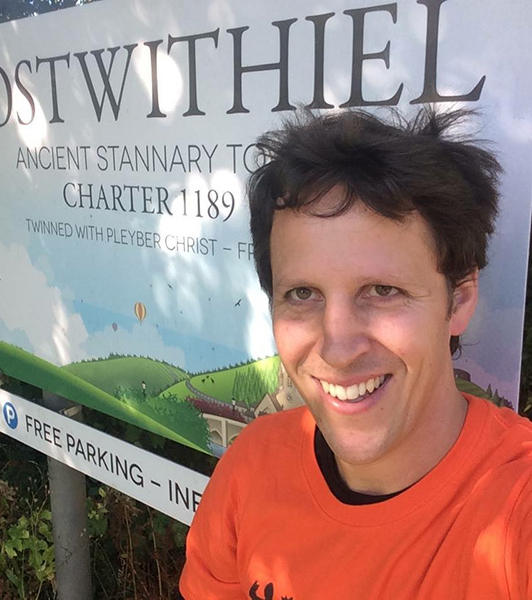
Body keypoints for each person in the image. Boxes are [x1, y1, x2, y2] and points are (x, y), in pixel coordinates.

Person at [180, 109, 532, 599]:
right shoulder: (251, 467)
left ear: (459, 300)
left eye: (383, 290)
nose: (338, 349)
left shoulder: (515, 507)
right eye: (303, 294)